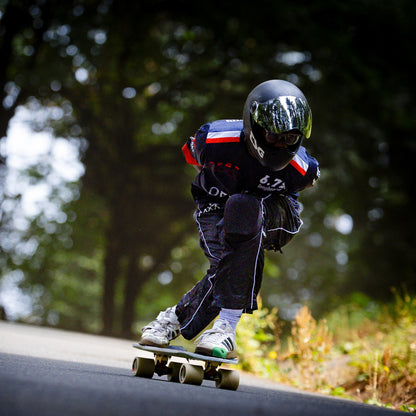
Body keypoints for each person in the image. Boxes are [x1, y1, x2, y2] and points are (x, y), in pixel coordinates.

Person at [139, 79, 319, 359]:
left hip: (275, 215)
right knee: (227, 262)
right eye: (273, 136)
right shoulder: (212, 140)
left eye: (290, 138)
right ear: (254, 127)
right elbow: (191, 155)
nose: (281, 144)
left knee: (244, 207)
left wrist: (255, 199)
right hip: (214, 205)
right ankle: (173, 319)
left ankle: (225, 327)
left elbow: (304, 186)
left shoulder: (302, 167)